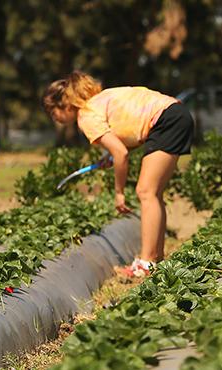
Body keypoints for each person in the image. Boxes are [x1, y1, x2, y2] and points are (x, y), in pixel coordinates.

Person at [43, 71, 192, 277]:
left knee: (146, 192)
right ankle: (155, 258)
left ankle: (146, 263)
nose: (54, 118)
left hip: (166, 121)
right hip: (175, 114)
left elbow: (120, 153)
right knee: (152, 193)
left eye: (53, 112)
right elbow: (130, 131)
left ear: (66, 105)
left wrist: (119, 192)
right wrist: (112, 156)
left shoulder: (85, 116)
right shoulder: (100, 101)